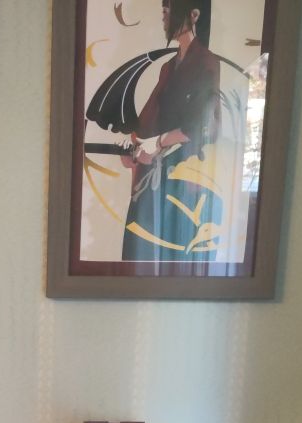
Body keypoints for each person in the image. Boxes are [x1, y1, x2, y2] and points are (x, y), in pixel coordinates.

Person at [117, 1, 222, 261]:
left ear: (194, 14)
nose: (163, 14)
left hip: (184, 185)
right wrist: (134, 151)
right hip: (152, 182)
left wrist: (160, 142)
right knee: (137, 265)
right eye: (163, 9)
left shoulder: (206, 62)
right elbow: (148, 124)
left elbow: (202, 126)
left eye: (169, 8)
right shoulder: (168, 67)